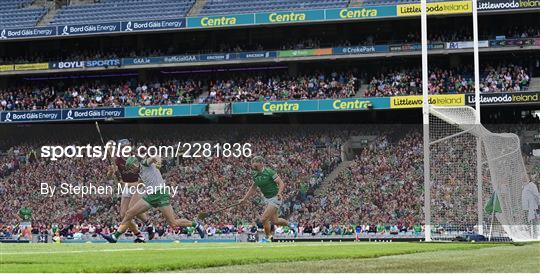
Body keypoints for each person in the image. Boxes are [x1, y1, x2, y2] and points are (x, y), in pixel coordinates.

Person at [102, 156, 205, 243]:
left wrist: (158, 161)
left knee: (173, 223)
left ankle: (196, 225)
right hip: (150, 196)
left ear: (135, 164)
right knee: (129, 213)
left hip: (161, 195)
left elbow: (154, 157)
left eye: (131, 168)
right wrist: (125, 184)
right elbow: (139, 184)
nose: (132, 171)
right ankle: (115, 237)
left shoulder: (144, 163)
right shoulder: (140, 173)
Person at [239, 156, 297, 242]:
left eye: (255, 163)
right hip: (267, 198)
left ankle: (268, 237)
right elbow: (253, 188)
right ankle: (291, 225)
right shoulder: (254, 174)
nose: (252, 165)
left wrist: (279, 193)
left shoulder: (269, 172)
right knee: (275, 221)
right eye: (252, 163)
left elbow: (281, 183)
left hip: (275, 197)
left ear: (261, 164)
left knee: (264, 219)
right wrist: (244, 199)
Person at [107, 139, 147, 243]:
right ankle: (140, 236)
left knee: (131, 211)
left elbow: (142, 179)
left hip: (137, 186)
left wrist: (128, 184)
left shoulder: (136, 158)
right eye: (124, 147)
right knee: (123, 215)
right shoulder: (117, 160)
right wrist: (111, 172)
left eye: (127, 147)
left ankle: (149, 224)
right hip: (127, 187)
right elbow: (109, 177)